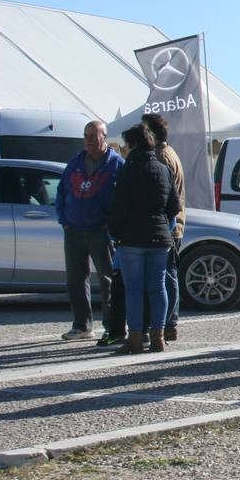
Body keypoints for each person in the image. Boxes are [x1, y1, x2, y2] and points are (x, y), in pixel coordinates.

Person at [108, 124, 181, 354]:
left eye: (125, 144)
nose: (124, 149)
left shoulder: (128, 170)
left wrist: (115, 231)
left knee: (134, 289)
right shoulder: (163, 169)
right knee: (158, 287)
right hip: (160, 237)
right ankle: (158, 337)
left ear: (134, 144)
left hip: (132, 238)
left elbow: (118, 207)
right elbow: (174, 207)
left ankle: (136, 338)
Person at [55, 120, 125, 341]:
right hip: (74, 229)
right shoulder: (75, 162)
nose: (89, 141)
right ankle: (82, 325)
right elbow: (62, 191)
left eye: (93, 137)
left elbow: (124, 198)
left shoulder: (116, 164)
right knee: (75, 279)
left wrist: (111, 223)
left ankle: (112, 325)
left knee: (108, 280)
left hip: (101, 231)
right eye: (86, 136)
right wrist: (64, 220)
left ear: (104, 137)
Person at [140, 114, 186, 343]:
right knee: (168, 276)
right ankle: (169, 323)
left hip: (168, 226)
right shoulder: (169, 153)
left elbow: (166, 197)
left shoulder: (162, 157)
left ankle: (168, 323)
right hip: (172, 225)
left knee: (166, 277)